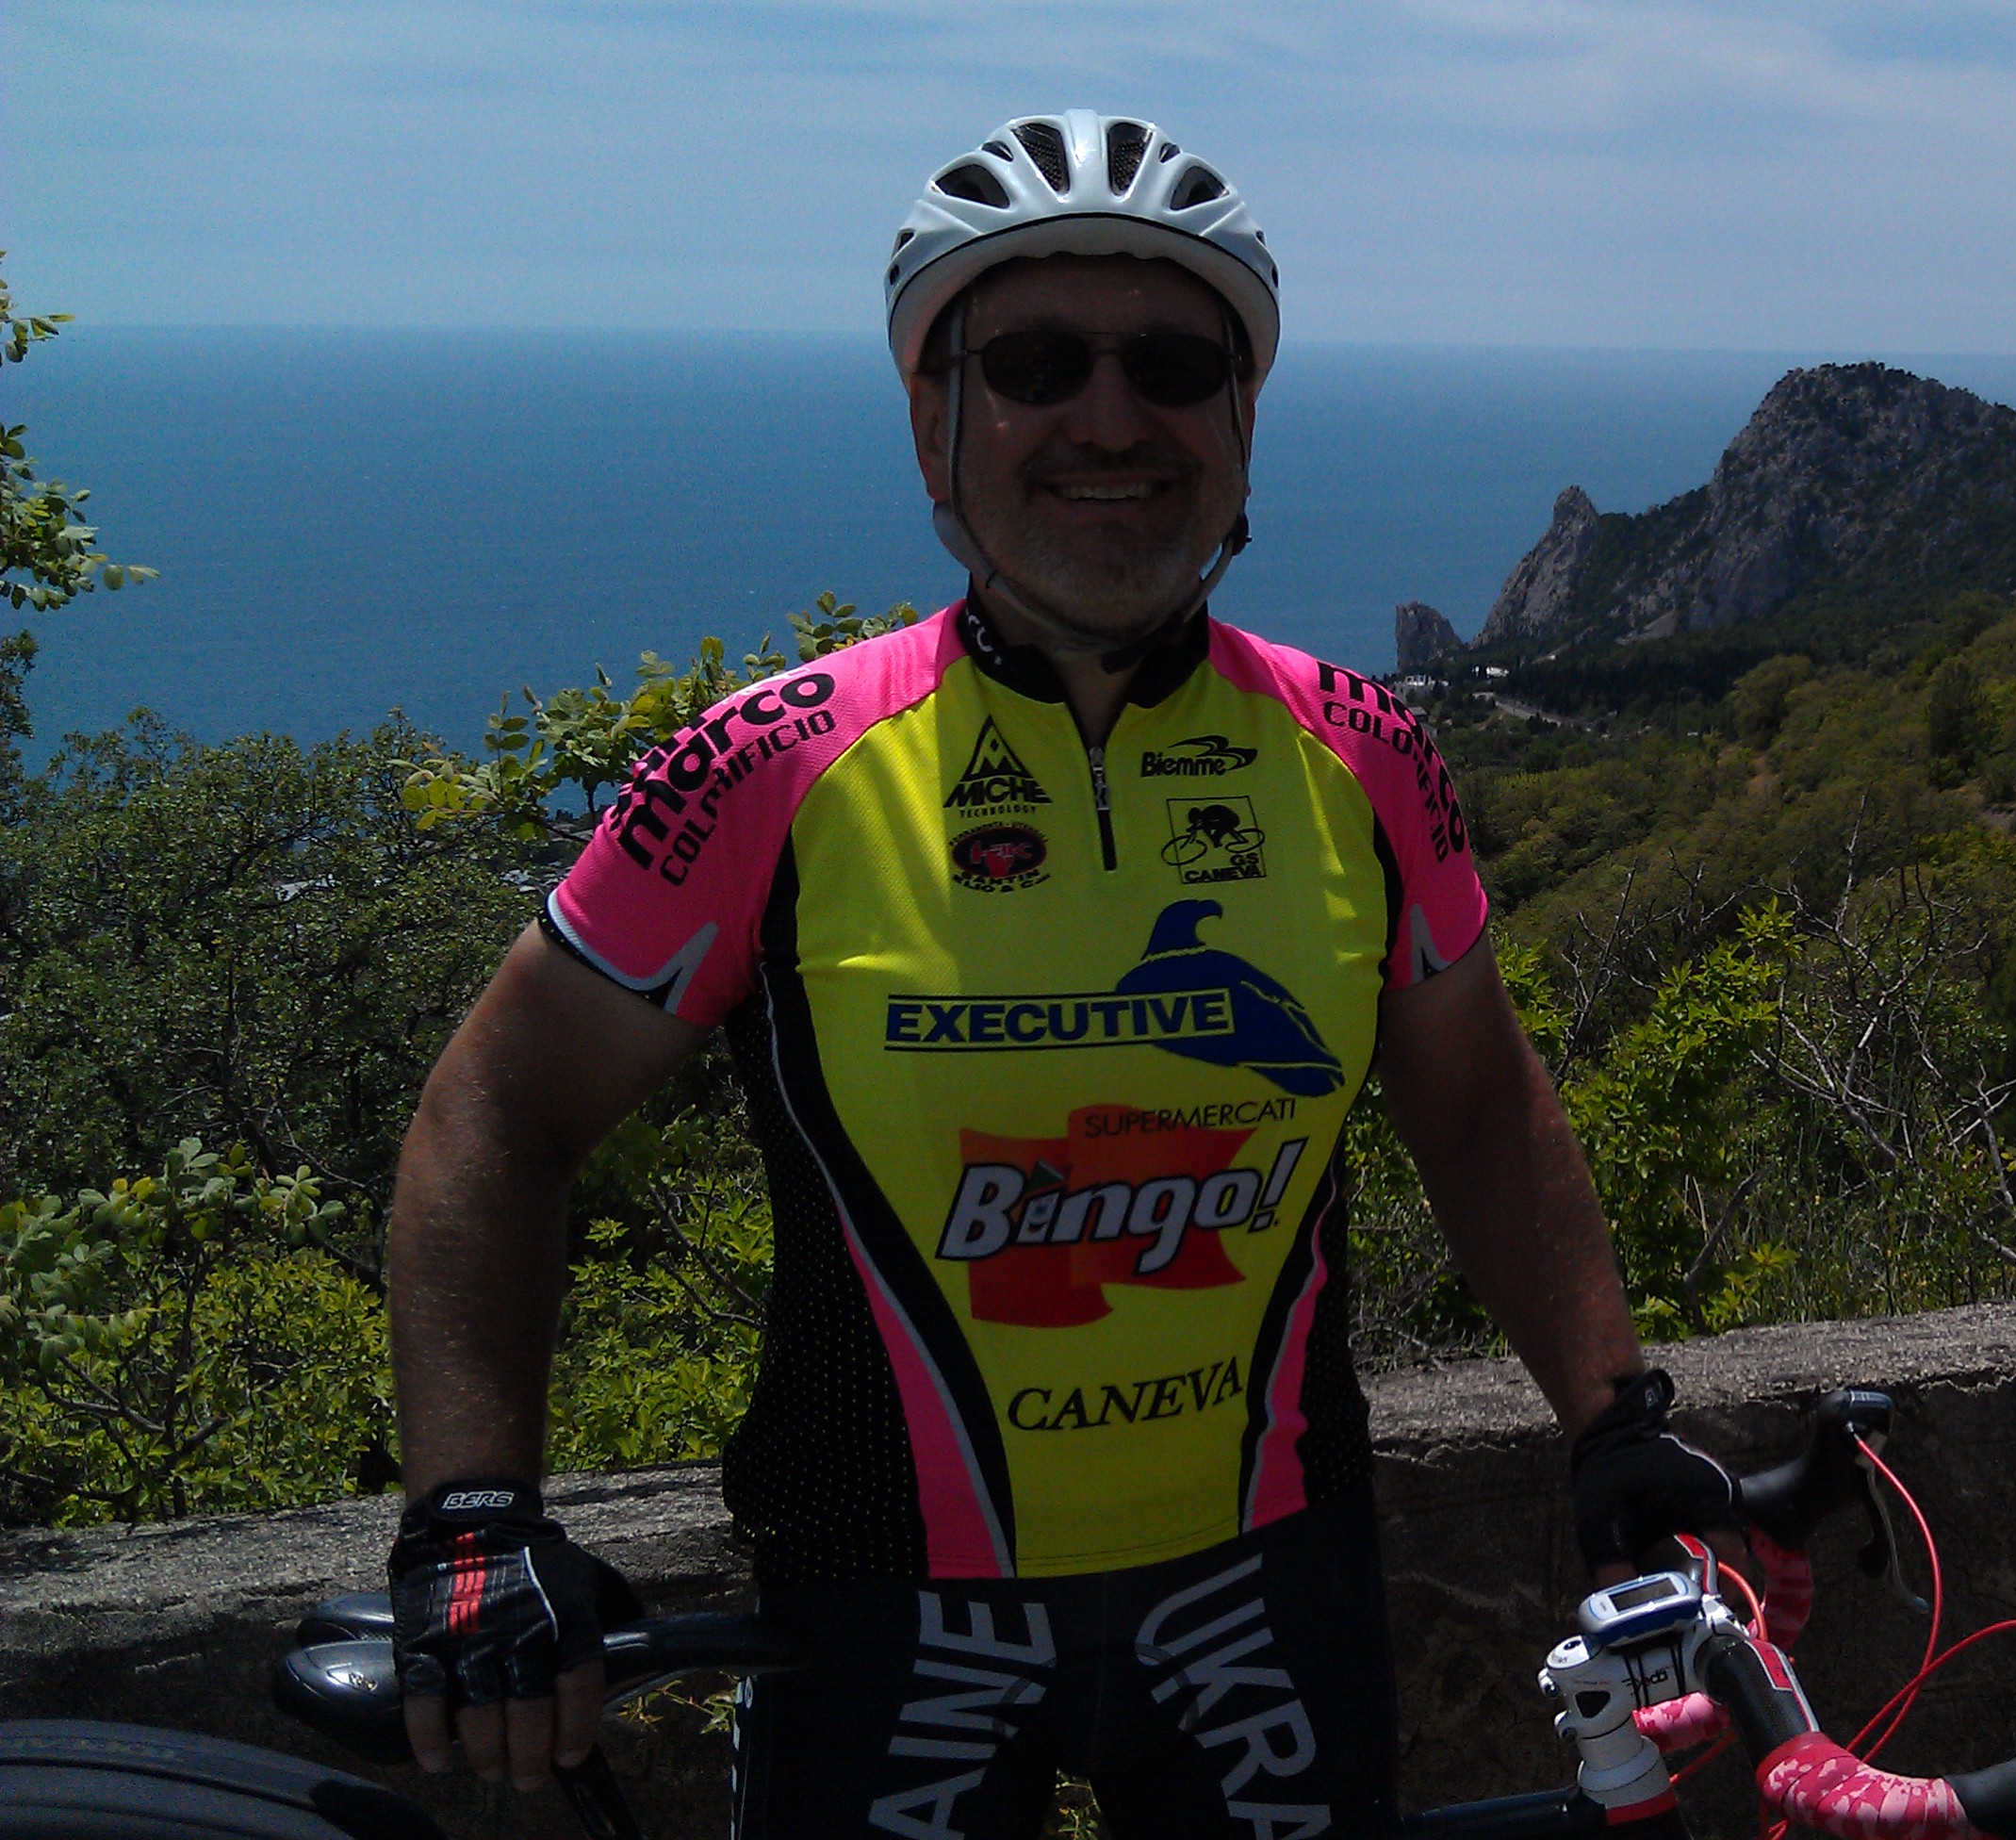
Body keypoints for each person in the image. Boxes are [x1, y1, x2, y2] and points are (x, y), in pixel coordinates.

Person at [383, 109, 1739, 1839]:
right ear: (933, 425)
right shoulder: (769, 768)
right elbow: (496, 1118)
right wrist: (474, 1516)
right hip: (880, 1601)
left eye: (1173, 365)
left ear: (1241, 424)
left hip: (1267, 1583)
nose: (1110, 418)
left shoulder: (1365, 755)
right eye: (1032, 364)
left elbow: (1477, 1109)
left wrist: (1615, 1418)